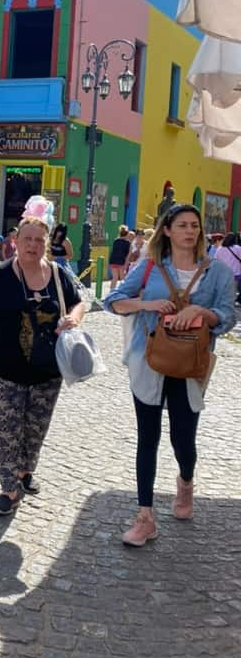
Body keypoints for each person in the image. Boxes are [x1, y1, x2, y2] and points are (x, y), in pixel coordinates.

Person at [105, 203, 236, 547]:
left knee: (183, 438)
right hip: (149, 358)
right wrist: (146, 304)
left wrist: (201, 312)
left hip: (191, 363)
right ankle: (145, 517)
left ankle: (185, 483)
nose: (190, 231)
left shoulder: (217, 272)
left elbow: (228, 315)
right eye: (182, 225)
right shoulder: (150, 267)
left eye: (195, 225)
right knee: (147, 437)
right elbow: (115, 300)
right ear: (167, 230)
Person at [0, 217, 86, 515]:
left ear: (46, 244)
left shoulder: (57, 274)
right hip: (2, 369)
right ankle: (9, 488)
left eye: (39, 240)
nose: (33, 245)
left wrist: (75, 318)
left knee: (35, 429)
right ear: (15, 241)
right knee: (6, 429)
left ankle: (24, 471)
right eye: (27, 239)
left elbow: (79, 302)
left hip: (47, 370)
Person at [214, 232, 241, 302]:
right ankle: (230, 303)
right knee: (233, 290)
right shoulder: (238, 248)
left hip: (222, 273)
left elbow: (215, 260)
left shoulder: (220, 249)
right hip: (235, 273)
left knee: (223, 289)